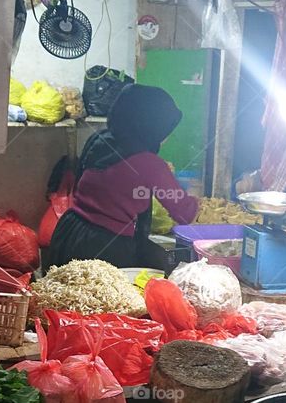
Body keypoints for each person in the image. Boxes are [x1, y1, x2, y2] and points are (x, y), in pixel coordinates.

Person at [50, 84, 198, 268]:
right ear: (152, 126)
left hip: (69, 231)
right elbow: (185, 213)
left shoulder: (99, 139)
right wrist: (194, 195)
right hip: (106, 246)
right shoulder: (150, 163)